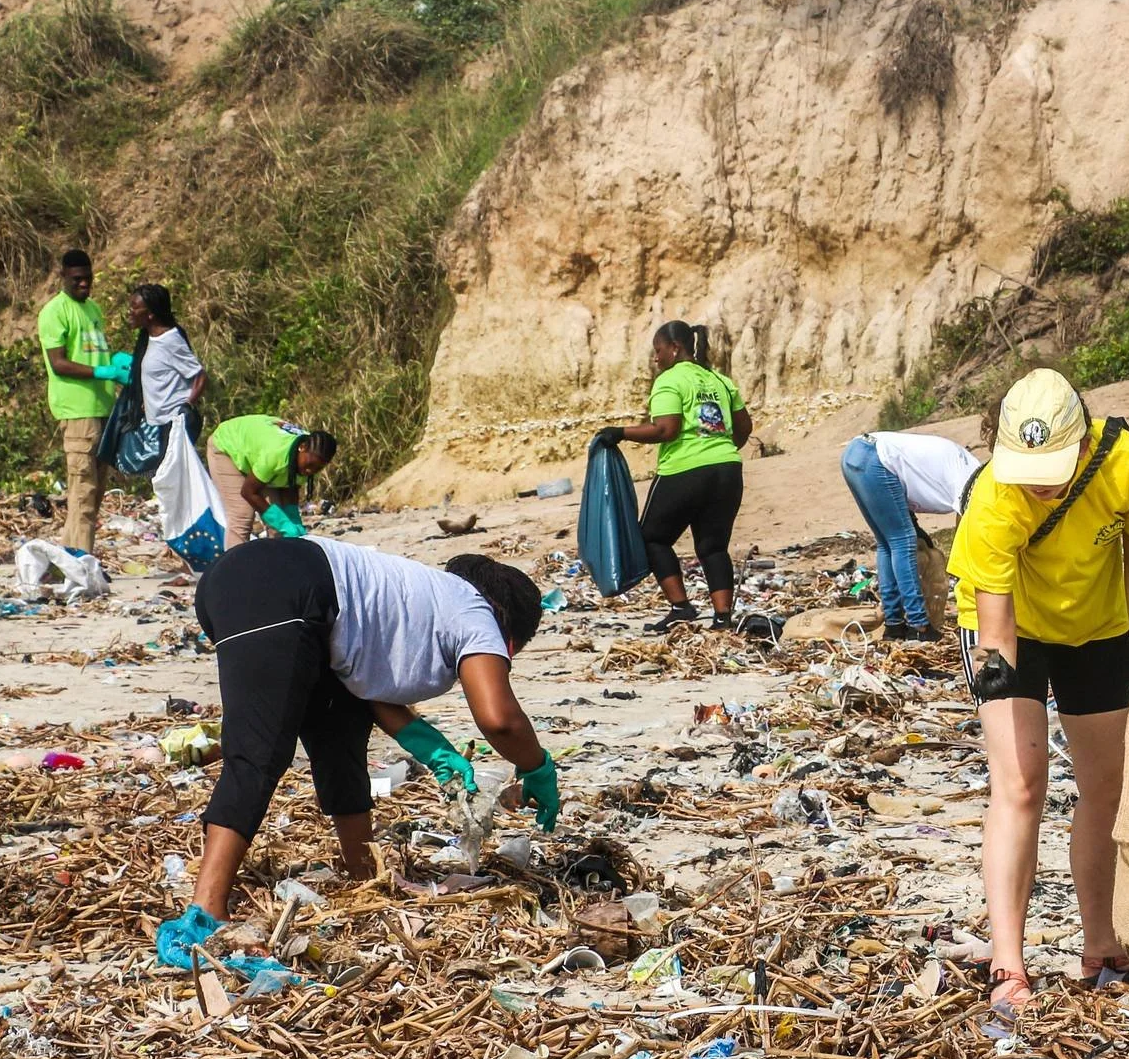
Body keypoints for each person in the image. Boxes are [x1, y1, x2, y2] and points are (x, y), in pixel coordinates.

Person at [156, 537, 560, 966]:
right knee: (259, 751)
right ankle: (205, 912)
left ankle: (364, 871)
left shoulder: (421, 599)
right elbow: (498, 718)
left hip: (256, 583)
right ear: (510, 639)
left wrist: (440, 754)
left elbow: (371, 696)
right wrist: (537, 765)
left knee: (340, 727)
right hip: (283, 588)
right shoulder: (477, 612)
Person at [947, 368, 1129, 1017]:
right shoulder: (995, 497)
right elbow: (996, 619)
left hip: (1096, 625)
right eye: (1027, 465)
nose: (1040, 480)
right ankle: (1008, 965)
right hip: (1007, 628)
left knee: (1105, 786)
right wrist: (998, 681)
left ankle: (1101, 947)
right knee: (1021, 783)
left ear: (1082, 442)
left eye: (1052, 464)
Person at [598, 322, 751, 633]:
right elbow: (744, 429)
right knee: (713, 546)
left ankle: (681, 607)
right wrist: (717, 450)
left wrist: (618, 433)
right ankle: (722, 618)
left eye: (658, 351)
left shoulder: (669, 381)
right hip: (727, 470)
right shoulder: (720, 381)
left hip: (684, 470)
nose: (656, 358)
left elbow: (665, 430)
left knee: (652, 538)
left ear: (675, 348)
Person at [841, 430, 981, 641]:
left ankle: (894, 624)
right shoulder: (972, 483)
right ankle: (920, 625)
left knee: (887, 543)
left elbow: (910, 480)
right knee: (902, 542)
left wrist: (917, 529)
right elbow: (970, 531)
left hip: (856, 452)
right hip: (877, 459)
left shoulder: (967, 468)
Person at [36, 250, 128, 553]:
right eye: (77, 279)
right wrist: (102, 370)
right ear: (63, 276)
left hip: (102, 408)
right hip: (78, 412)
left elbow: (94, 351)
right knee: (82, 492)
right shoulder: (55, 311)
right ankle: (78, 561)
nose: (84, 284)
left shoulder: (93, 309)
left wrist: (115, 365)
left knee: (94, 492)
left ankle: (75, 559)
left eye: (88, 278)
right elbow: (59, 363)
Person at [207, 414, 336, 547]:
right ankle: (234, 565)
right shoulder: (275, 455)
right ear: (301, 448)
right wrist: (283, 524)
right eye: (309, 465)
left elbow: (290, 488)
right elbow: (248, 492)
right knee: (243, 516)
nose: (310, 471)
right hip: (227, 445)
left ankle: (278, 562)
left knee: (279, 516)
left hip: (258, 452)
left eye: (318, 468)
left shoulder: (310, 454)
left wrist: (293, 521)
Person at [128, 284, 205, 434]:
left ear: (151, 314)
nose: (130, 312)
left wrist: (187, 406)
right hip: (155, 424)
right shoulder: (148, 338)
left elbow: (199, 375)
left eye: (135, 307)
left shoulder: (170, 339)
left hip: (172, 424)